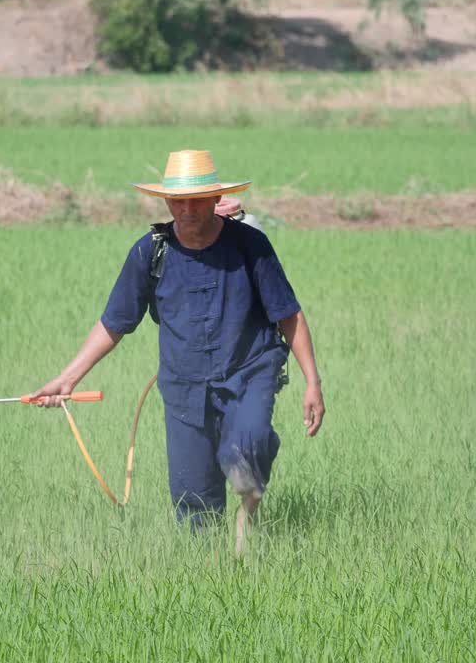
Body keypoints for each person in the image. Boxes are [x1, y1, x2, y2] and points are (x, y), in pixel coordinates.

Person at [31, 149, 324, 554]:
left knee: (249, 443)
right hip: (185, 387)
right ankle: (208, 579)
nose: (187, 210)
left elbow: (288, 314)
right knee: (195, 503)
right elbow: (114, 322)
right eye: (178, 201)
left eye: (198, 200)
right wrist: (67, 379)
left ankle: (249, 505)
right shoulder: (150, 253)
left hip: (249, 373)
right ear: (166, 202)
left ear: (215, 200)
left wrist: (313, 381)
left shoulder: (250, 246)